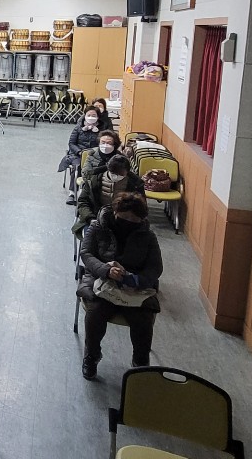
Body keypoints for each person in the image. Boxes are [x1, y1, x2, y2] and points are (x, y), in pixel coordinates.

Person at [78, 192, 162, 380]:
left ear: (141, 220)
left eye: (133, 220)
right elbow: (86, 254)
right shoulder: (98, 227)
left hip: (134, 285)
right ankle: (92, 355)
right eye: (124, 218)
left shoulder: (148, 236)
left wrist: (135, 280)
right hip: (101, 280)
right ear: (115, 213)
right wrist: (106, 270)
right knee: (96, 313)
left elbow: (155, 268)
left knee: (143, 318)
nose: (128, 223)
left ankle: (140, 360)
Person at [74, 155, 144, 235]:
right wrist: (90, 218)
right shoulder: (93, 180)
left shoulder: (136, 184)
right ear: (108, 169)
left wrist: (130, 220)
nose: (116, 177)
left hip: (124, 220)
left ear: (127, 172)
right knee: (93, 237)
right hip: (95, 218)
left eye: (121, 175)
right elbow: (83, 202)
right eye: (113, 173)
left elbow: (141, 208)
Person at [58, 106, 103, 203]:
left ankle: (92, 193)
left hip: (94, 155)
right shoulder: (78, 128)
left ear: (98, 117)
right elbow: (71, 143)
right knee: (77, 167)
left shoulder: (101, 130)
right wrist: (79, 152)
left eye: (94, 115)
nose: (91, 117)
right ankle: (72, 193)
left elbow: (102, 144)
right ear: (85, 116)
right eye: (89, 115)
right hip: (78, 154)